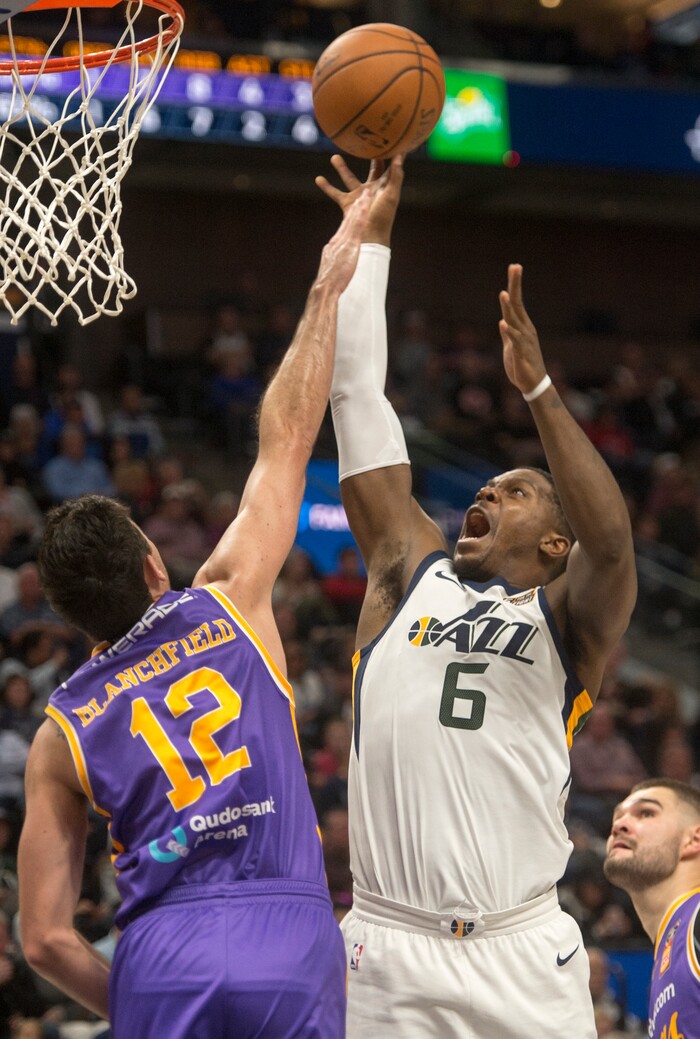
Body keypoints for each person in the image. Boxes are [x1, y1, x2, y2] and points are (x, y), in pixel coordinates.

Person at [16, 189, 373, 1039]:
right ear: (153, 562)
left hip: (162, 952)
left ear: (69, 615)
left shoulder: (60, 729)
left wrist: (141, 1006)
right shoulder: (231, 599)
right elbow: (286, 435)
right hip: (288, 932)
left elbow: (43, 939)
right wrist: (327, 288)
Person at [316, 154, 637, 1038]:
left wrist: (536, 388)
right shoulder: (404, 569)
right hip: (389, 946)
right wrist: (371, 244)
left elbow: (613, 541)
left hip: (523, 948)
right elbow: (356, 401)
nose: (488, 494)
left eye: (517, 490)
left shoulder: (569, 620)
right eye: (486, 487)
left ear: (553, 543)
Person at [604, 778, 700, 1037]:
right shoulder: (668, 951)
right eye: (618, 816)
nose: (619, 825)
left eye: (646, 813)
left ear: (694, 838)